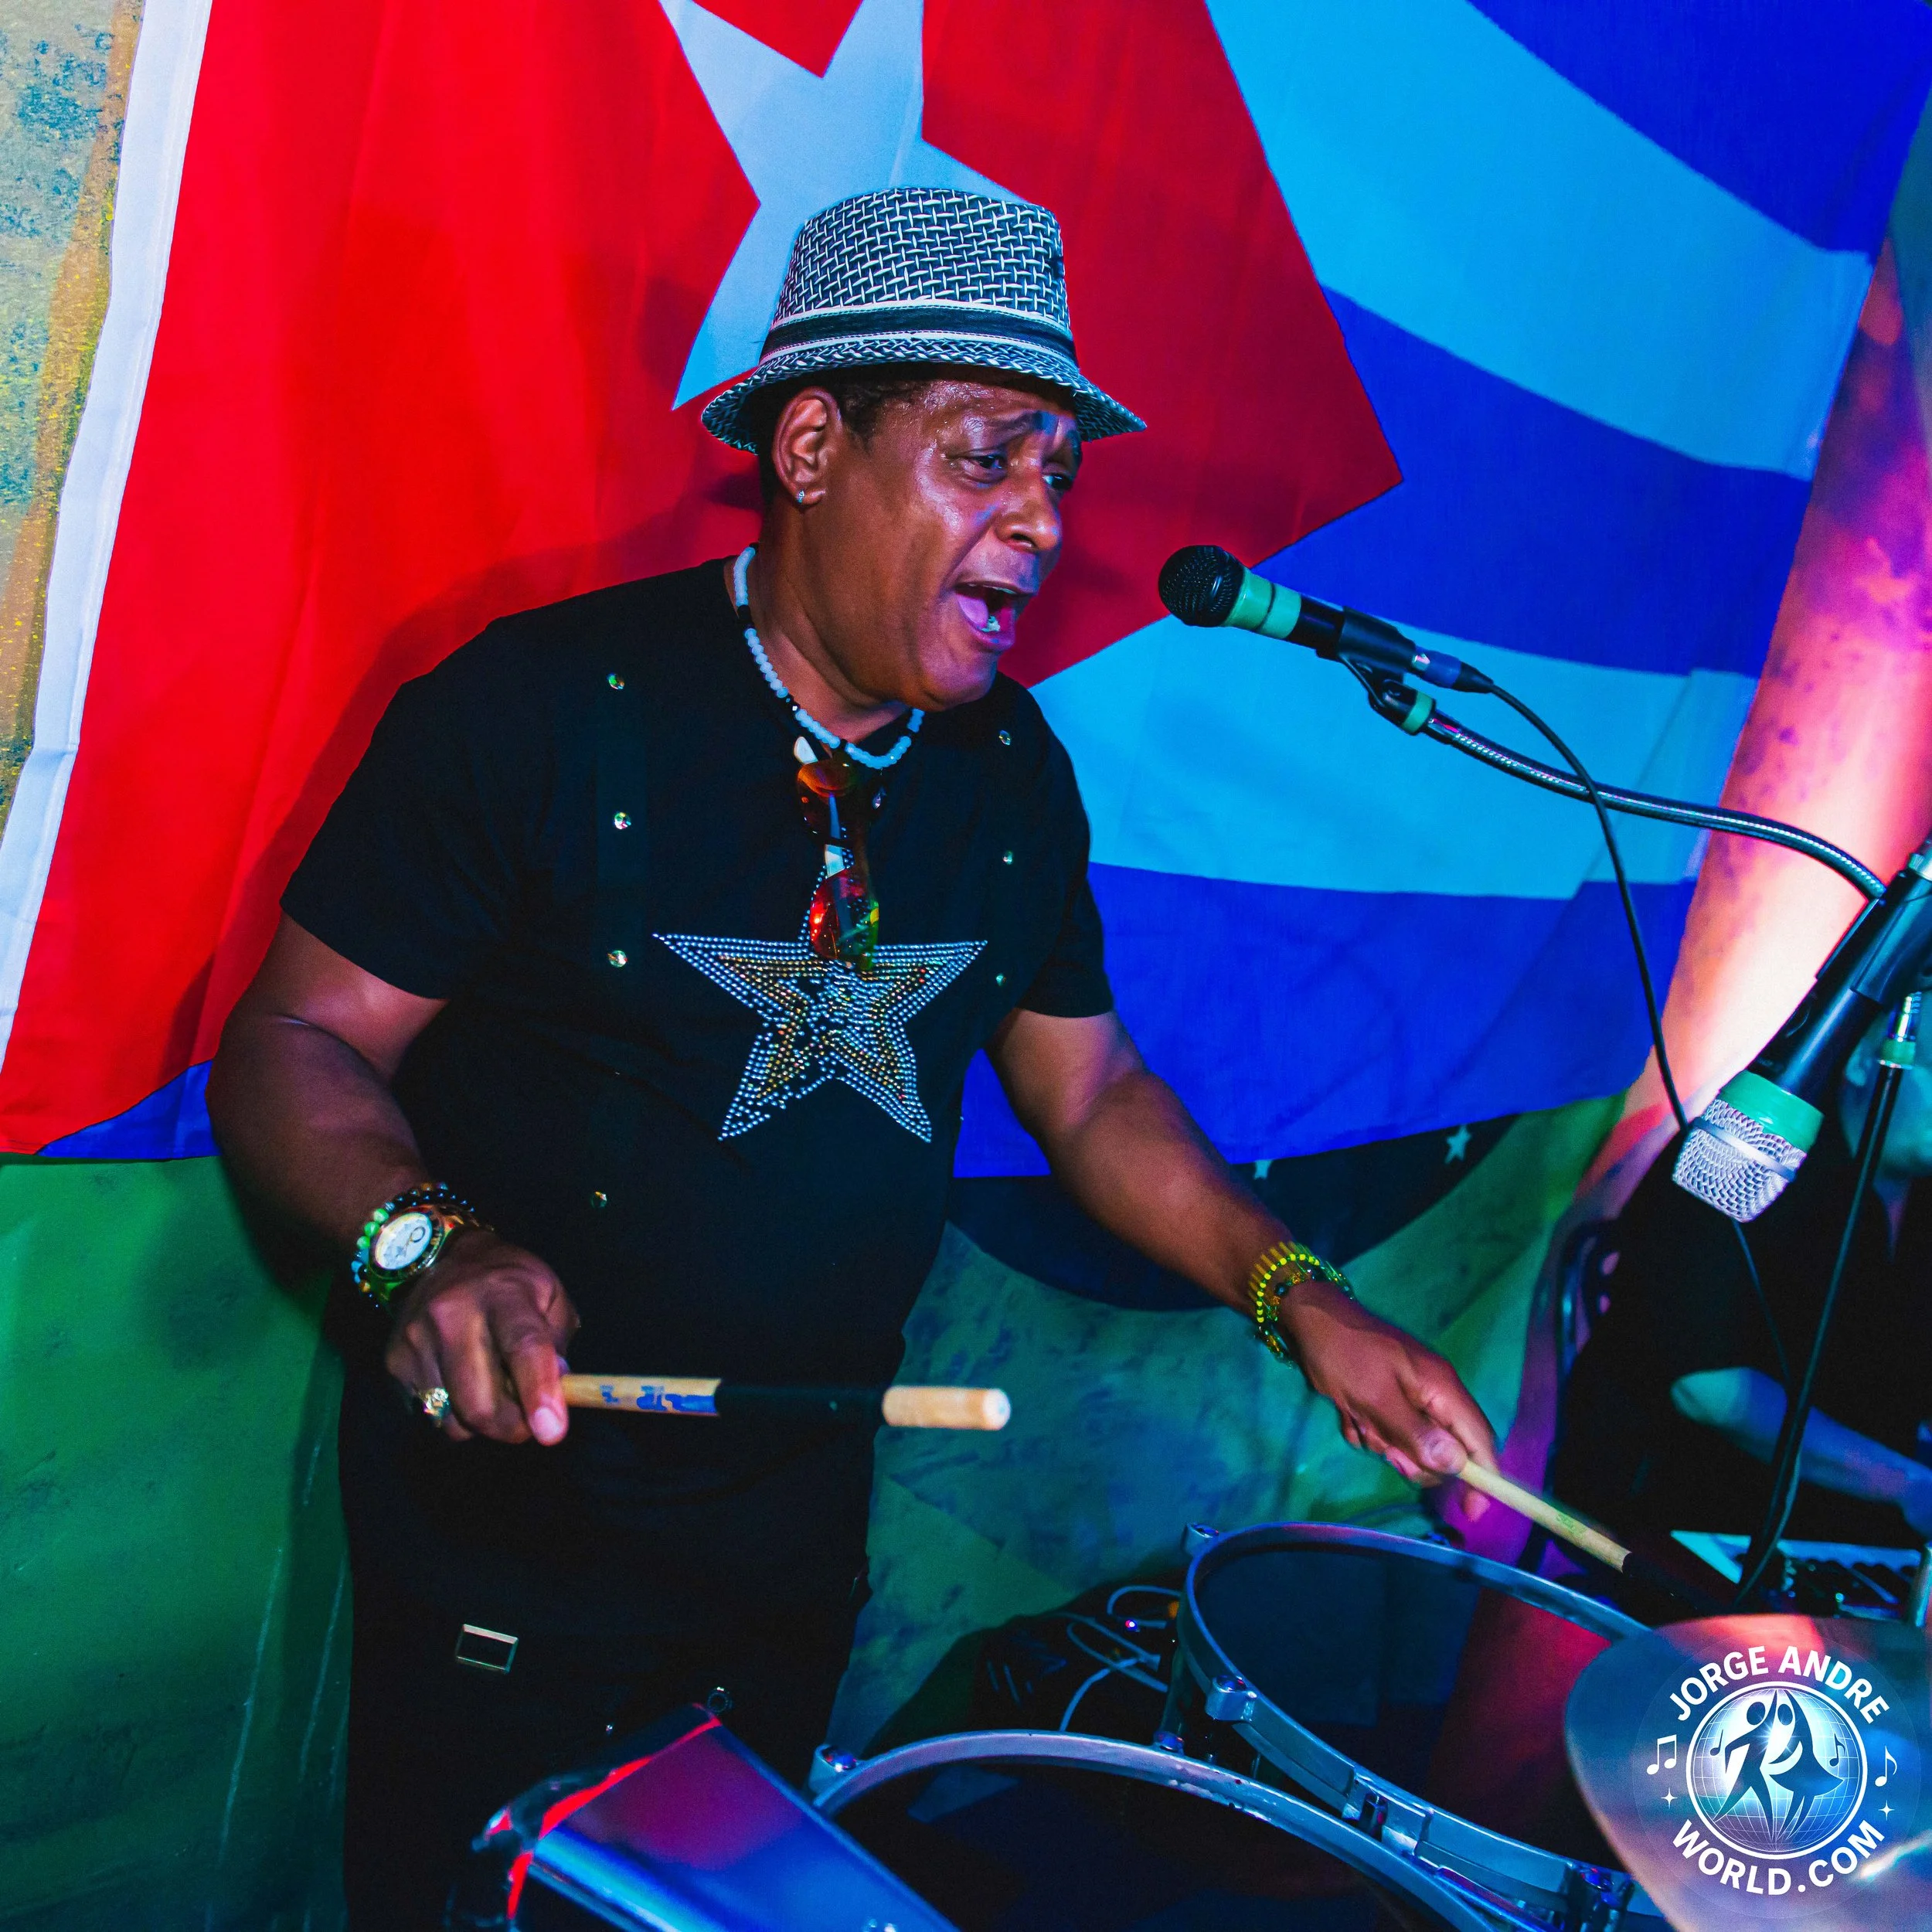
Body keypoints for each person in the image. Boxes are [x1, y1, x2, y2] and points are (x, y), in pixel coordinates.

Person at [207, 187, 1495, 1930]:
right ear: (810, 445)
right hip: (513, 1543)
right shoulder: (537, 706)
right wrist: (424, 1244)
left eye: (1058, 470)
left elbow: (1092, 1092)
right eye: (987, 458)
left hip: (791, 1545)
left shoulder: (1010, 769)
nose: (1040, 521)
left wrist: (1297, 1294)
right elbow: (291, 1039)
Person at [1552, 1012, 1932, 1552]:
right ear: (1868, 1056)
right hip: (1674, 1514)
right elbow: (1704, 1387)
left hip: (1845, 1534)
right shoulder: (1746, 1150)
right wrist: (1906, 1484)